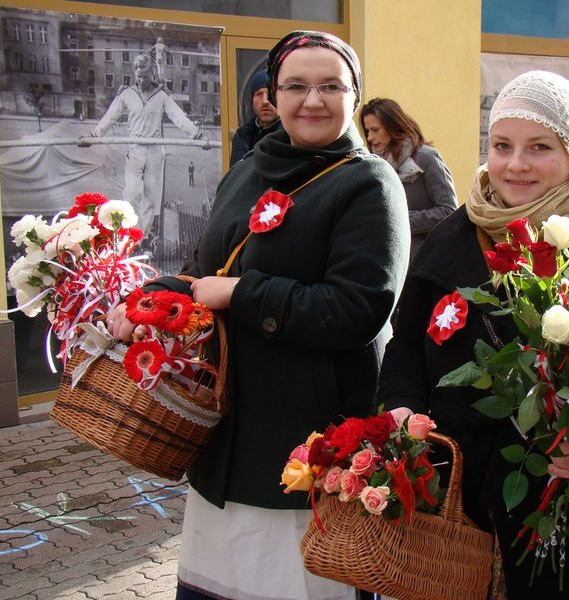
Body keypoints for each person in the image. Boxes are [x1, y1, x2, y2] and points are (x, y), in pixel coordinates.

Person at [106, 30, 410, 600]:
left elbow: (356, 309)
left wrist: (242, 295)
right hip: (228, 434)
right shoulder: (247, 169)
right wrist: (159, 295)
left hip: (306, 442)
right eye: (295, 86)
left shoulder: (370, 184)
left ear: (355, 95)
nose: (312, 100)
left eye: (330, 86)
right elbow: (212, 271)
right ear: (273, 94)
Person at [379, 71, 569, 599]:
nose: (515, 164)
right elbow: (406, 340)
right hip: (459, 500)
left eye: (539, 147)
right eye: (502, 145)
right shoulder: (455, 234)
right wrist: (403, 408)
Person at [86, 53, 208, 240]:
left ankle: (142, 238)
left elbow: (178, 117)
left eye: (145, 76)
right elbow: (110, 117)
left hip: (155, 151)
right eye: (138, 76)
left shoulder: (161, 96)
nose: (141, 81)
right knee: (131, 193)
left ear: (152, 74)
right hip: (135, 150)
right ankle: (130, 235)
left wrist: (198, 136)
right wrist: (93, 136)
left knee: (150, 199)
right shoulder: (127, 94)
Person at [360, 98, 457, 261]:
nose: (369, 137)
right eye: (367, 130)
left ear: (393, 126)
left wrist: (397, 220)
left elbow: (448, 212)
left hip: (421, 261)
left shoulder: (426, 157)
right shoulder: (371, 165)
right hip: (382, 260)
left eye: (375, 130)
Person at [229, 69, 282, 167]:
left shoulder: (292, 139)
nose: (265, 101)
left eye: (271, 94)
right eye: (259, 94)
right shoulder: (241, 138)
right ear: (252, 101)